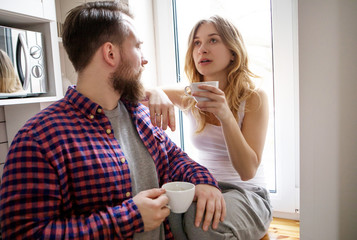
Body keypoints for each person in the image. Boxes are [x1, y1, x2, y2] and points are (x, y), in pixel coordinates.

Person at [0, 2, 225, 239]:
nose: (145, 59)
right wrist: (128, 218)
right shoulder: (38, 139)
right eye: (138, 46)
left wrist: (204, 182)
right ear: (110, 54)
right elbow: (22, 234)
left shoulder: (139, 114)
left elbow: (174, 159)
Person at [147, 15, 272, 239]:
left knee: (200, 223)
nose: (202, 49)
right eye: (196, 42)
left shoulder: (253, 98)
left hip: (248, 194)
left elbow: (247, 171)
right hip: (204, 185)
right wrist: (156, 93)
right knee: (170, 216)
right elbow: (142, 93)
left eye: (213, 40)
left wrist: (225, 115)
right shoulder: (189, 96)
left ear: (233, 52)